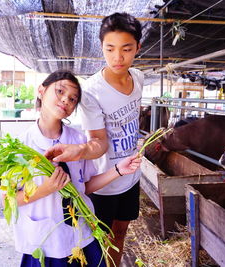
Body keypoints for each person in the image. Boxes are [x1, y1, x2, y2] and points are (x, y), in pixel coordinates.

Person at [13, 70, 142, 267]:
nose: (66, 100)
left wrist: (119, 170)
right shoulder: (21, 146)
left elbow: (85, 187)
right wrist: (45, 190)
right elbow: (10, 199)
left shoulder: (78, 140)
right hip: (45, 240)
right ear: (41, 90)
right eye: (60, 91)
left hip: (81, 237)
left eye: (73, 99)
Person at [44, 13, 144, 266]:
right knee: (100, 240)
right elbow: (98, 141)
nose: (117, 57)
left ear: (137, 49)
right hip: (105, 181)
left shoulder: (139, 78)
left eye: (126, 49)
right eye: (109, 49)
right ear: (102, 47)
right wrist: (79, 151)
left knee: (121, 232)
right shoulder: (91, 91)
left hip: (131, 176)